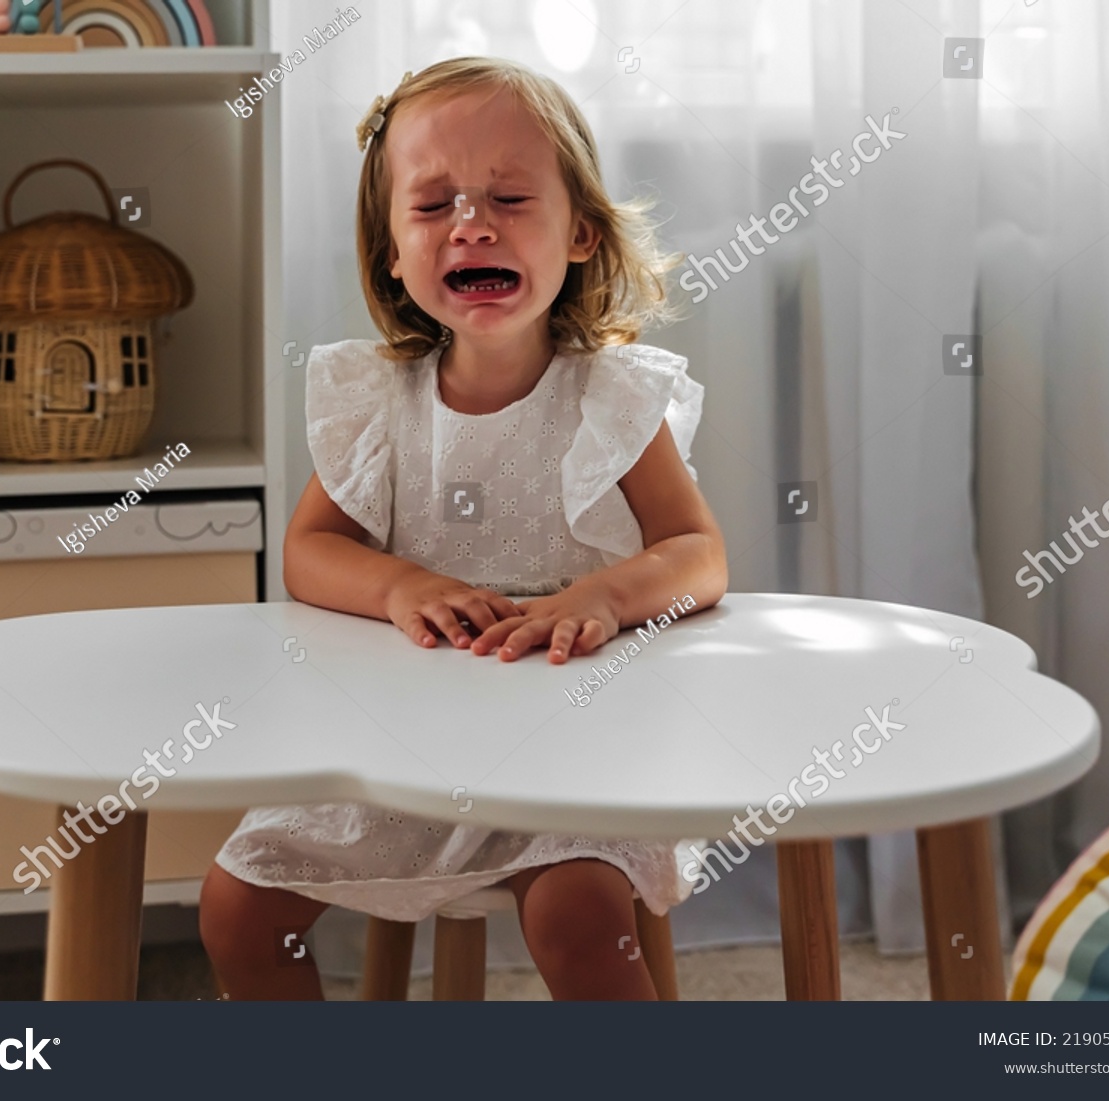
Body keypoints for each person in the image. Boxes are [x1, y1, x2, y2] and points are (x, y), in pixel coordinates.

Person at [201, 56, 728, 1000]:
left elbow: (699, 555)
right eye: (434, 204)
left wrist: (604, 595)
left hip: (573, 753)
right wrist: (402, 585)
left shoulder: (611, 400)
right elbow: (309, 552)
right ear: (391, 255)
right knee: (236, 907)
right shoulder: (377, 403)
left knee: (579, 921)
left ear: (582, 236)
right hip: (405, 747)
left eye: (510, 198)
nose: (472, 224)